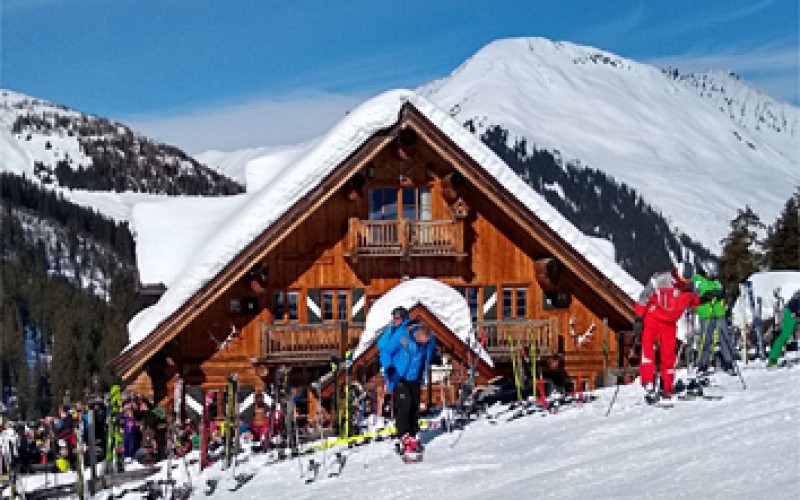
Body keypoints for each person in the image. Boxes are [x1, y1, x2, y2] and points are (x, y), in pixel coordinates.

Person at [634, 265, 699, 403]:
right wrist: (639, 317)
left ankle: (667, 387)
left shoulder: (690, 287)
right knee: (648, 351)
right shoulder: (660, 280)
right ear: (677, 274)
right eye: (682, 280)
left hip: (669, 324)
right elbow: (643, 297)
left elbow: (695, 302)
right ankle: (648, 383)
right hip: (652, 318)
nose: (685, 283)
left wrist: (695, 309)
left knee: (668, 355)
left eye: (688, 281)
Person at [379, 320, 436, 457]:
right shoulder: (402, 337)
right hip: (399, 376)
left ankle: (412, 433)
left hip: (415, 378)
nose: (423, 344)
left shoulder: (429, 341)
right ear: (417, 335)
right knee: (405, 404)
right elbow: (385, 351)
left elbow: (429, 353)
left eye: (425, 342)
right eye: (421, 342)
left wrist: (432, 360)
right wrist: (389, 367)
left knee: (414, 406)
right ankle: (403, 434)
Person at [693, 261, 736, 375]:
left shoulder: (716, 282)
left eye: (713, 274)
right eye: (710, 274)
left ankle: (729, 362)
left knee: (724, 337)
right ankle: (702, 364)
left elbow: (721, 291)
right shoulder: (698, 280)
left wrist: (723, 293)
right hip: (706, 313)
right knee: (706, 339)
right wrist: (706, 296)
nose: (712, 276)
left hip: (718, 312)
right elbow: (695, 296)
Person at [768, 289, 800, 367]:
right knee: (783, 337)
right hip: (790, 313)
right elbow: (794, 307)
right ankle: (773, 361)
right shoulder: (796, 299)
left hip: (793, 313)